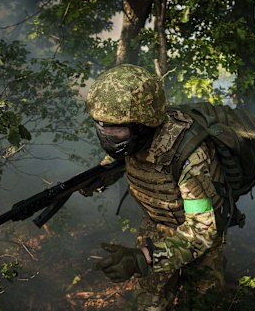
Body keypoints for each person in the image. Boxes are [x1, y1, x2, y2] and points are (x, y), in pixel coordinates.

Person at [85, 64, 228, 310]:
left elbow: (202, 232)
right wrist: (98, 178)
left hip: (197, 230)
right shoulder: (131, 138)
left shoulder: (189, 156)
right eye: (102, 126)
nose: (108, 136)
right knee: (147, 304)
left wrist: (143, 258)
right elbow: (118, 158)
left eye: (116, 129)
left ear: (143, 125)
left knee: (203, 300)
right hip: (156, 222)